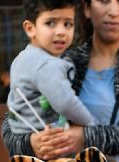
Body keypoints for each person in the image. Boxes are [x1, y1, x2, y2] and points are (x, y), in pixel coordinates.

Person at [2, 0, 119, 162]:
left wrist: (87, 138)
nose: (114, 11)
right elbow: (13, 122)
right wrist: (32, 142)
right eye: (104, 1)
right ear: (87, 9)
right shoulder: (59, 62)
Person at [7, 2, 95, 136]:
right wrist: (91, 125)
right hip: (49, 140)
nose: (61, 32)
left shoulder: (21, 58)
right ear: (30, 28)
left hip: (23, 136)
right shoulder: (48, 65)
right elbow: (66, 103)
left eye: (68, 24)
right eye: (50, 23)